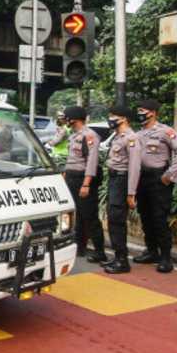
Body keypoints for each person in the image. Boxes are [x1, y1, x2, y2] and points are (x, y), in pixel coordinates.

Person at [133, 99, 177, 273]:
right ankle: (151, 251)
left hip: (159, 180)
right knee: (145, 216)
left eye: (143, 110)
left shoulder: (165, 132)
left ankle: (165, 257)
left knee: (159, 218)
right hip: (142, 179)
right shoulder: (138, 134)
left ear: (153, 113)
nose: (140, 113)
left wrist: (170, 175)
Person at [62, 106, 106, 263]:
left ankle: (100, 251)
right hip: (72, 178)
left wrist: (86, 184)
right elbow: (72, 158)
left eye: (67, 117)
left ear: (74, 119)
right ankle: (80, 246)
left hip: (83, 179)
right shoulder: (74, 136)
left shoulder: (89, 136)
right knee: (78, 215)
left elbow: (91, 162)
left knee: (90, 215)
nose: (65, 120)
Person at [103, 105, 142, 274]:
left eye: (113, 116)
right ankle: (118, 256)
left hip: (122, 180)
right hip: (114, 179)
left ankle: (122, 261)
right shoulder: (117, 136)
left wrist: (131, 193)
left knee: (117, 220)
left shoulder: (131, 138)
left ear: (124, 118)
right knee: (112, 219)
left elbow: (135, 167)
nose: (110, 119)